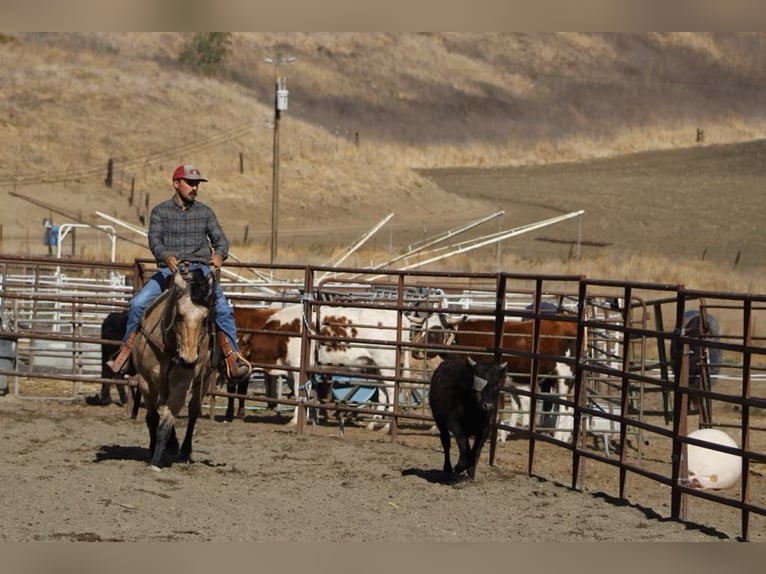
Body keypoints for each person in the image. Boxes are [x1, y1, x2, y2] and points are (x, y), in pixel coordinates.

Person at [107, 164, 250, 382]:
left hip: (200, 272)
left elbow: (221, 241)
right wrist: (166, 256)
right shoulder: (160, 212)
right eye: (190, 183)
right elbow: (155, 241)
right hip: (169, 271)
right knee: (137, 304)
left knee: (222, 308)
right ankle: (127, 353)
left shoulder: (205, 213)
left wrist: (220, 255)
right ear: (176, 184)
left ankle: (232, 358)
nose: (194, 188)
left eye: (197, 184)